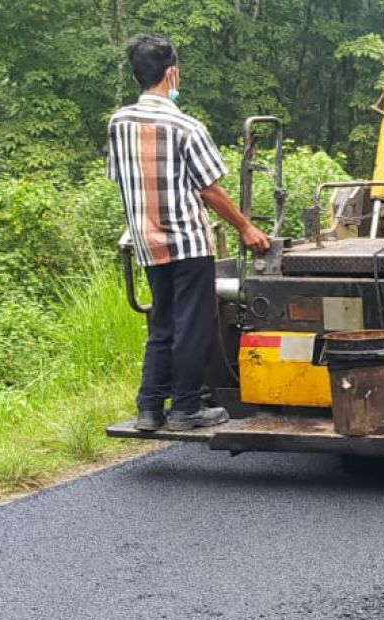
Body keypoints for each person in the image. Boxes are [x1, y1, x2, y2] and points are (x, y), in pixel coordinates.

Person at [107, 34, 270, 432]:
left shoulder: (118, 123)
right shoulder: (186, 126)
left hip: (146, 240)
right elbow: (210, 189)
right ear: (172, 73)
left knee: (161, 322)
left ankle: (148, 408)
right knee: (192, 324)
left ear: (135, 76)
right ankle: (185, 408)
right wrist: (246, 227)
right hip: (187, 241)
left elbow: (120, 177)